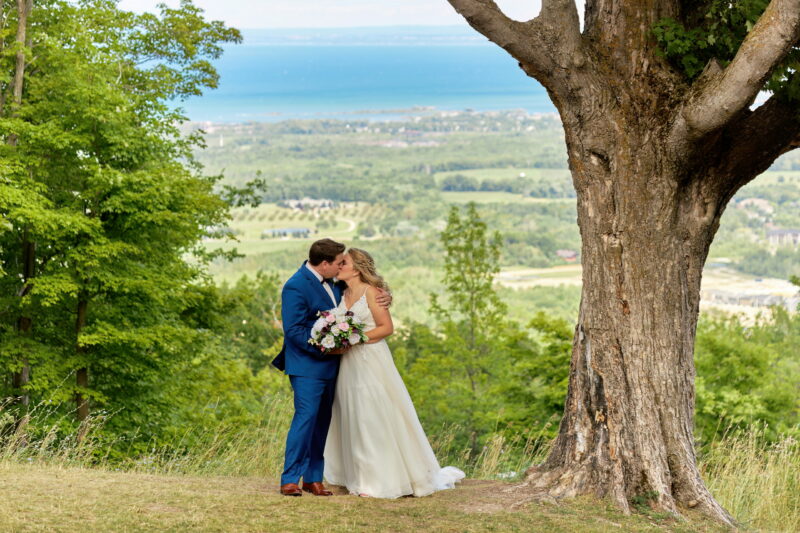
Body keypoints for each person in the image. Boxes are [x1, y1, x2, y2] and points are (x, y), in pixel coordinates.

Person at [323, 248, 465, 498]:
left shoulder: (372, 293)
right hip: (348, 365)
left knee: (372, 415)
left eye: (343, 262)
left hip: (370, 360)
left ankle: (377, 480)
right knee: (353, 414)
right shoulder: (341, 292)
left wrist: (355, 340)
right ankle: (358, 474)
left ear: (356, 268)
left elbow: (387, 328)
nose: (338, 266)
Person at [272, 239, 391, 497]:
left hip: (335, 366)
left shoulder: (336, 284)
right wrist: (325, 346)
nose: (340, 268)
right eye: (338, 263)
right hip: (306, 365)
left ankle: (314, 478)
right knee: (305, 418)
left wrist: (384, 294)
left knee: (322, 421)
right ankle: (290, 478)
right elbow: (293, 331)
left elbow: (361, 294)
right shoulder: (295, 286)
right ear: (324, 264)